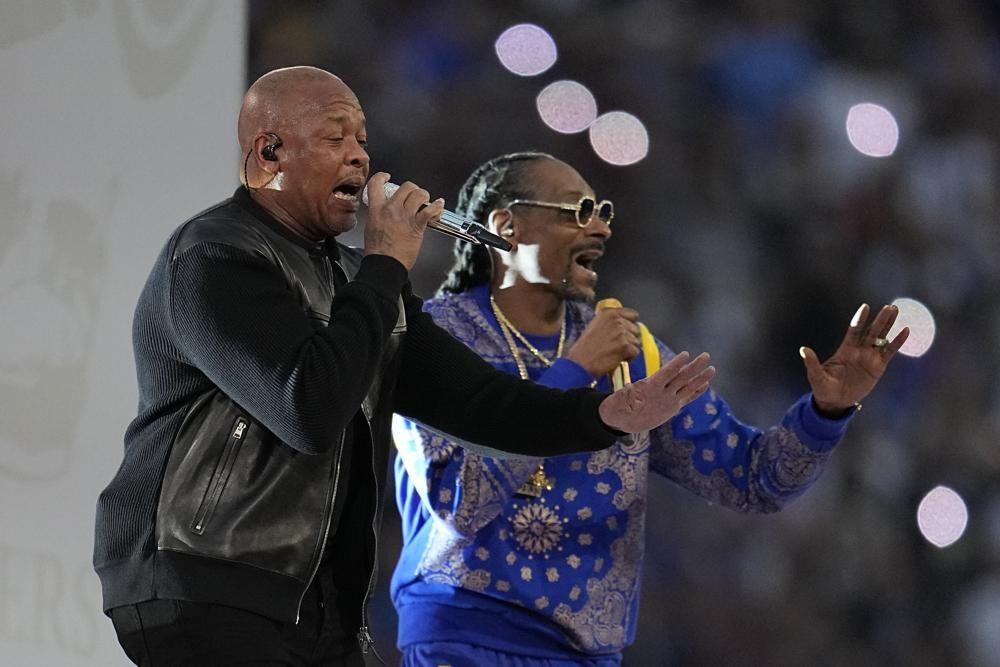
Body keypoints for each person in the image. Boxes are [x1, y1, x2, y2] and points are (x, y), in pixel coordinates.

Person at [92, 69, 715, 666]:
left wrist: (601, 414)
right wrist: (386, 263)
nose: (360, 157)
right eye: (335, 138)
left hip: (315, 602)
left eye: (362, 138)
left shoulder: (353, 279)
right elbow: (305, 408)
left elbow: (477, 402)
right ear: (268, 154)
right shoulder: (215, 255)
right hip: (206, 579)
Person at [390, 152, 909, 666]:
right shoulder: (432, 339)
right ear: (507, 226)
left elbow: (751, 480)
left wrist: (826, 412)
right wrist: (574, 371)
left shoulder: (630, 351)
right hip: (464, 638)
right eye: (578, 211)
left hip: (587, 653)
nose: (600, 229)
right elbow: (460, 501)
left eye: (604, 213)